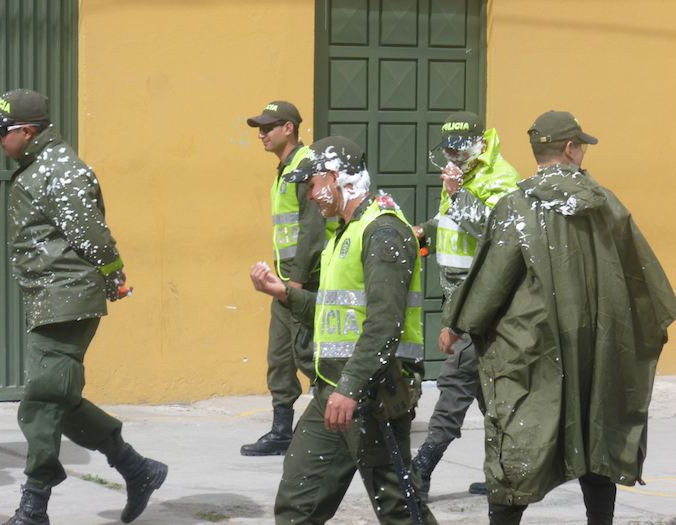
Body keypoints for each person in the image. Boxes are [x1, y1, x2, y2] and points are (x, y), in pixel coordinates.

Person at [439, 110, 676, 525]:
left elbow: (491, 282)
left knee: (520, 444)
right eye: (581, 144)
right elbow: (646, 283)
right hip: (600, 350)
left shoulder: (517, 206)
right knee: (596, 435)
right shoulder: (607, 205)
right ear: (570, 149)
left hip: (536, 353)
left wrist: (457, 322)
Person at [0, 88, 167, 525]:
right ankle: (137, 468)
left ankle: (34, 506)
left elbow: (93, 236)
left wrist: (115, 275)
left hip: (67, 298)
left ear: (27, 131)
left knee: (42, 400)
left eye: (2, 132)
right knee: (60, 396)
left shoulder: (60, 169)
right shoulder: (40, 165)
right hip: (51, 296)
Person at [250, 136, 438, 524]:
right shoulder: (342, 233)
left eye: (313, 185)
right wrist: (286, 294)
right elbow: (334, 312)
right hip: (331, 392)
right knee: (298, 503)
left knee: (401, 510)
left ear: (335, 178)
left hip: (373, 394)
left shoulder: (383, 232)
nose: (310, 195)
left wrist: (350, 388)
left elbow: (384, 325)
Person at [412, 111, 519, 498]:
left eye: (459, 150)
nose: (452, 158)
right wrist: (422, 232)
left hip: (488, 301)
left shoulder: (501, 178)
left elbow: (498, 234)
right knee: (488, 394)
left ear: (481, 143)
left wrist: (460, 194)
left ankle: (421, 467)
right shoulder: (460, 177)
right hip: (457, 298)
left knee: (456, 382)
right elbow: (451, 223)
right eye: (449, 151)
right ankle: (506, 474)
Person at [242, 101, 335, 456]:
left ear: (289, 128)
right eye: (259, 129)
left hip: (305, 282)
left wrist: (295, 282)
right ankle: (281, 430)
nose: (261, 134)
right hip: (283, 280)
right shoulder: (283, 169)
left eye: (268, 127)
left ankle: (332, 424)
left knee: (309, 354)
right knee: (280, 356)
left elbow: (312, 228)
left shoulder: (305, 166)